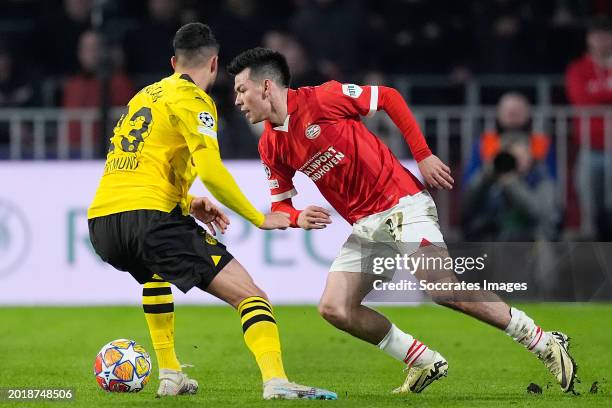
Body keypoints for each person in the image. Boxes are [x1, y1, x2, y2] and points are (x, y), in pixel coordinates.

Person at [227, 47, 577, 394]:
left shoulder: (325, 97)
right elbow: (281, 206)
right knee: (335, 308)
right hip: (366, 226)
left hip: (401, 203)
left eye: (242, 89)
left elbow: (390, 98)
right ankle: (421, 359)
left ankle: (542, 340)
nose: (238, 100)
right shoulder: (271, 146)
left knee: (441, 287)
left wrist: (422, 156)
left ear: (267, 86)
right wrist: (296, 216)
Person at [87, 24, 336, 400]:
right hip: (151, 219)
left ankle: (170, 374)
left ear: (174, 62)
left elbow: (138, 165)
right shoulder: (195, 99)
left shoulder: (143, 97)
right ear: (215, 64)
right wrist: (259, 217)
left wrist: (187, 202)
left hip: (103, 224)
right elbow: (212, 170)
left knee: (154, 275)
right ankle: (276, 382)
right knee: (252, 296)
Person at [565, 16, 612, 240]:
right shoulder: (578, 69)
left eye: (606, 36)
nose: (602, 41)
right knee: (590, 206)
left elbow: (591, 97)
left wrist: (598, 96)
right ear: (589, 40)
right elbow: (581, 99)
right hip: (590, 147)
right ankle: (595, 254)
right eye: (597, 36)